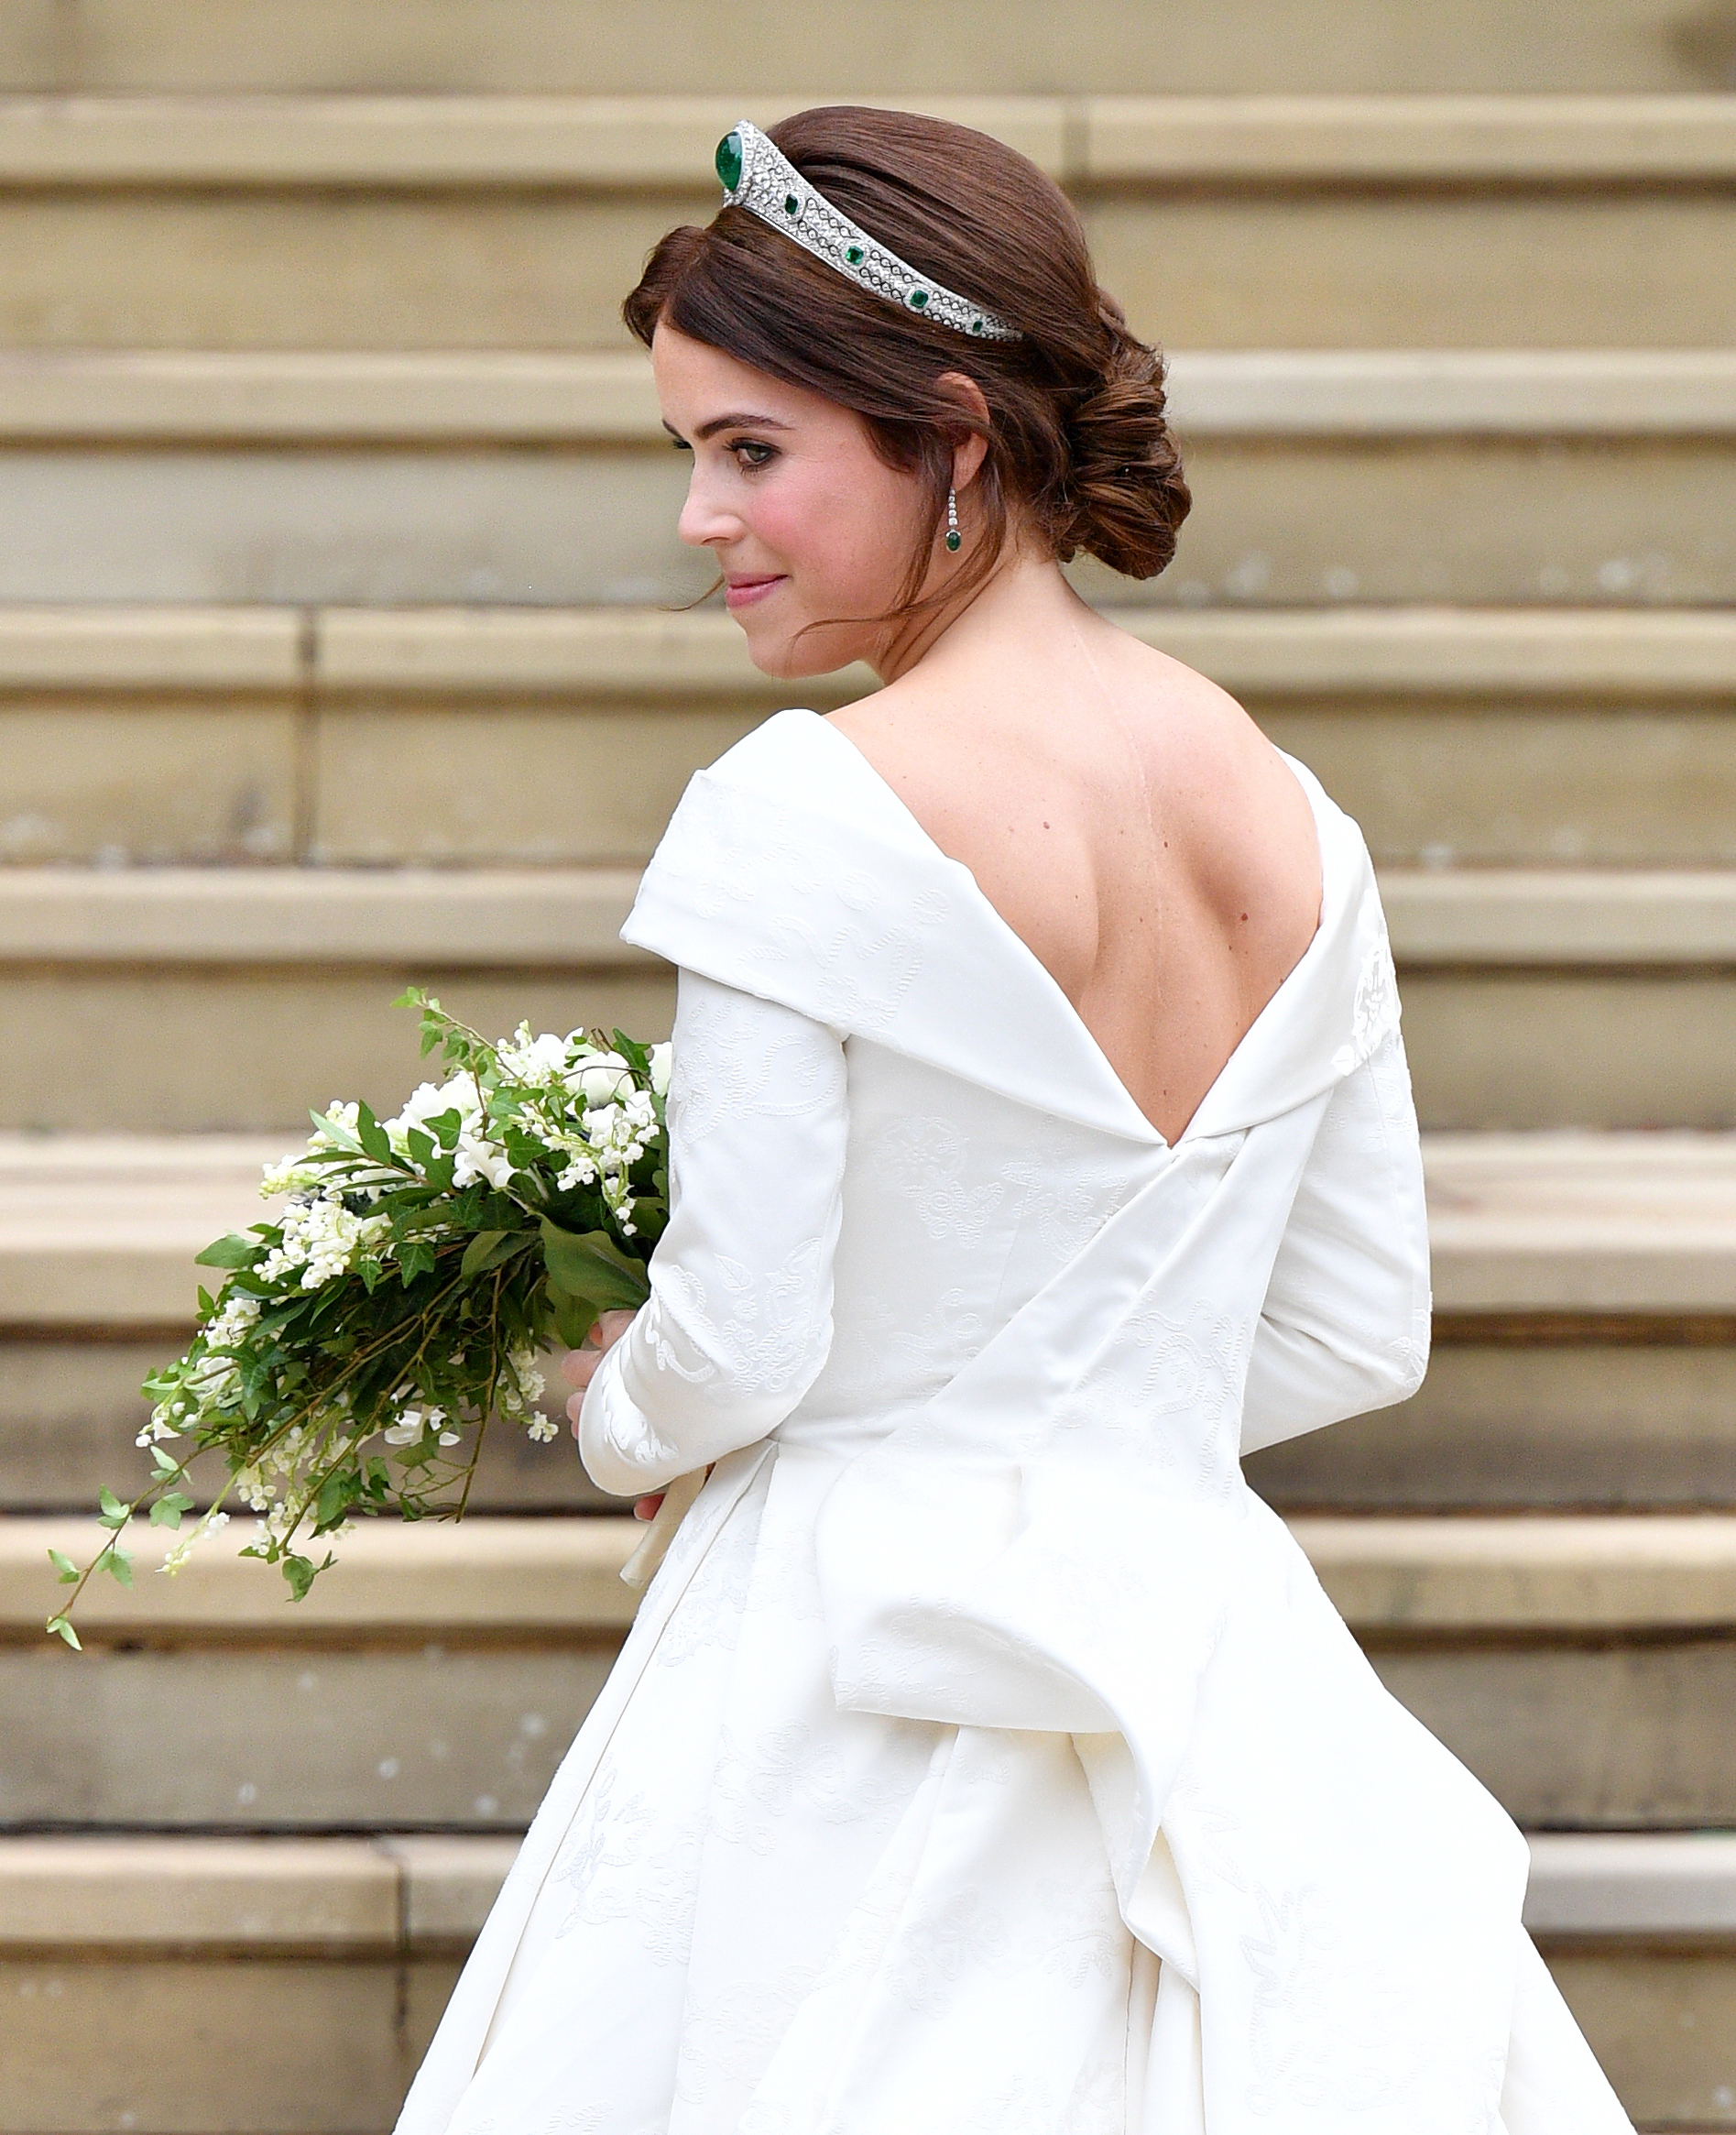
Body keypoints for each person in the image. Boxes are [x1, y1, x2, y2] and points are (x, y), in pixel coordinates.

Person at [397, 108, 1632, 2134]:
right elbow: (1354, 1329)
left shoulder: (803, 804)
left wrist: (611, 1404)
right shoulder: (1296, 821)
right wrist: (1088, 1432)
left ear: (954, 438)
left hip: (843, 1674)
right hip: (1209, 1646)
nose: (703, 522)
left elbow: (751, 1336)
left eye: (750, 450)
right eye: (690, 456)